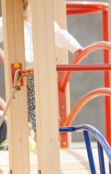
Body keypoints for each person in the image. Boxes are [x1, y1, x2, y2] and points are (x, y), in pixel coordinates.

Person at [0, 0, 83, 134]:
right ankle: (36, 133)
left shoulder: (40, 22)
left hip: (37, 70)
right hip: (21, 71)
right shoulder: (9, 22)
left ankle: (42, 133)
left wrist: (75, 47)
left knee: (37, 107)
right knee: (24, 109)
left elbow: (60, 35)